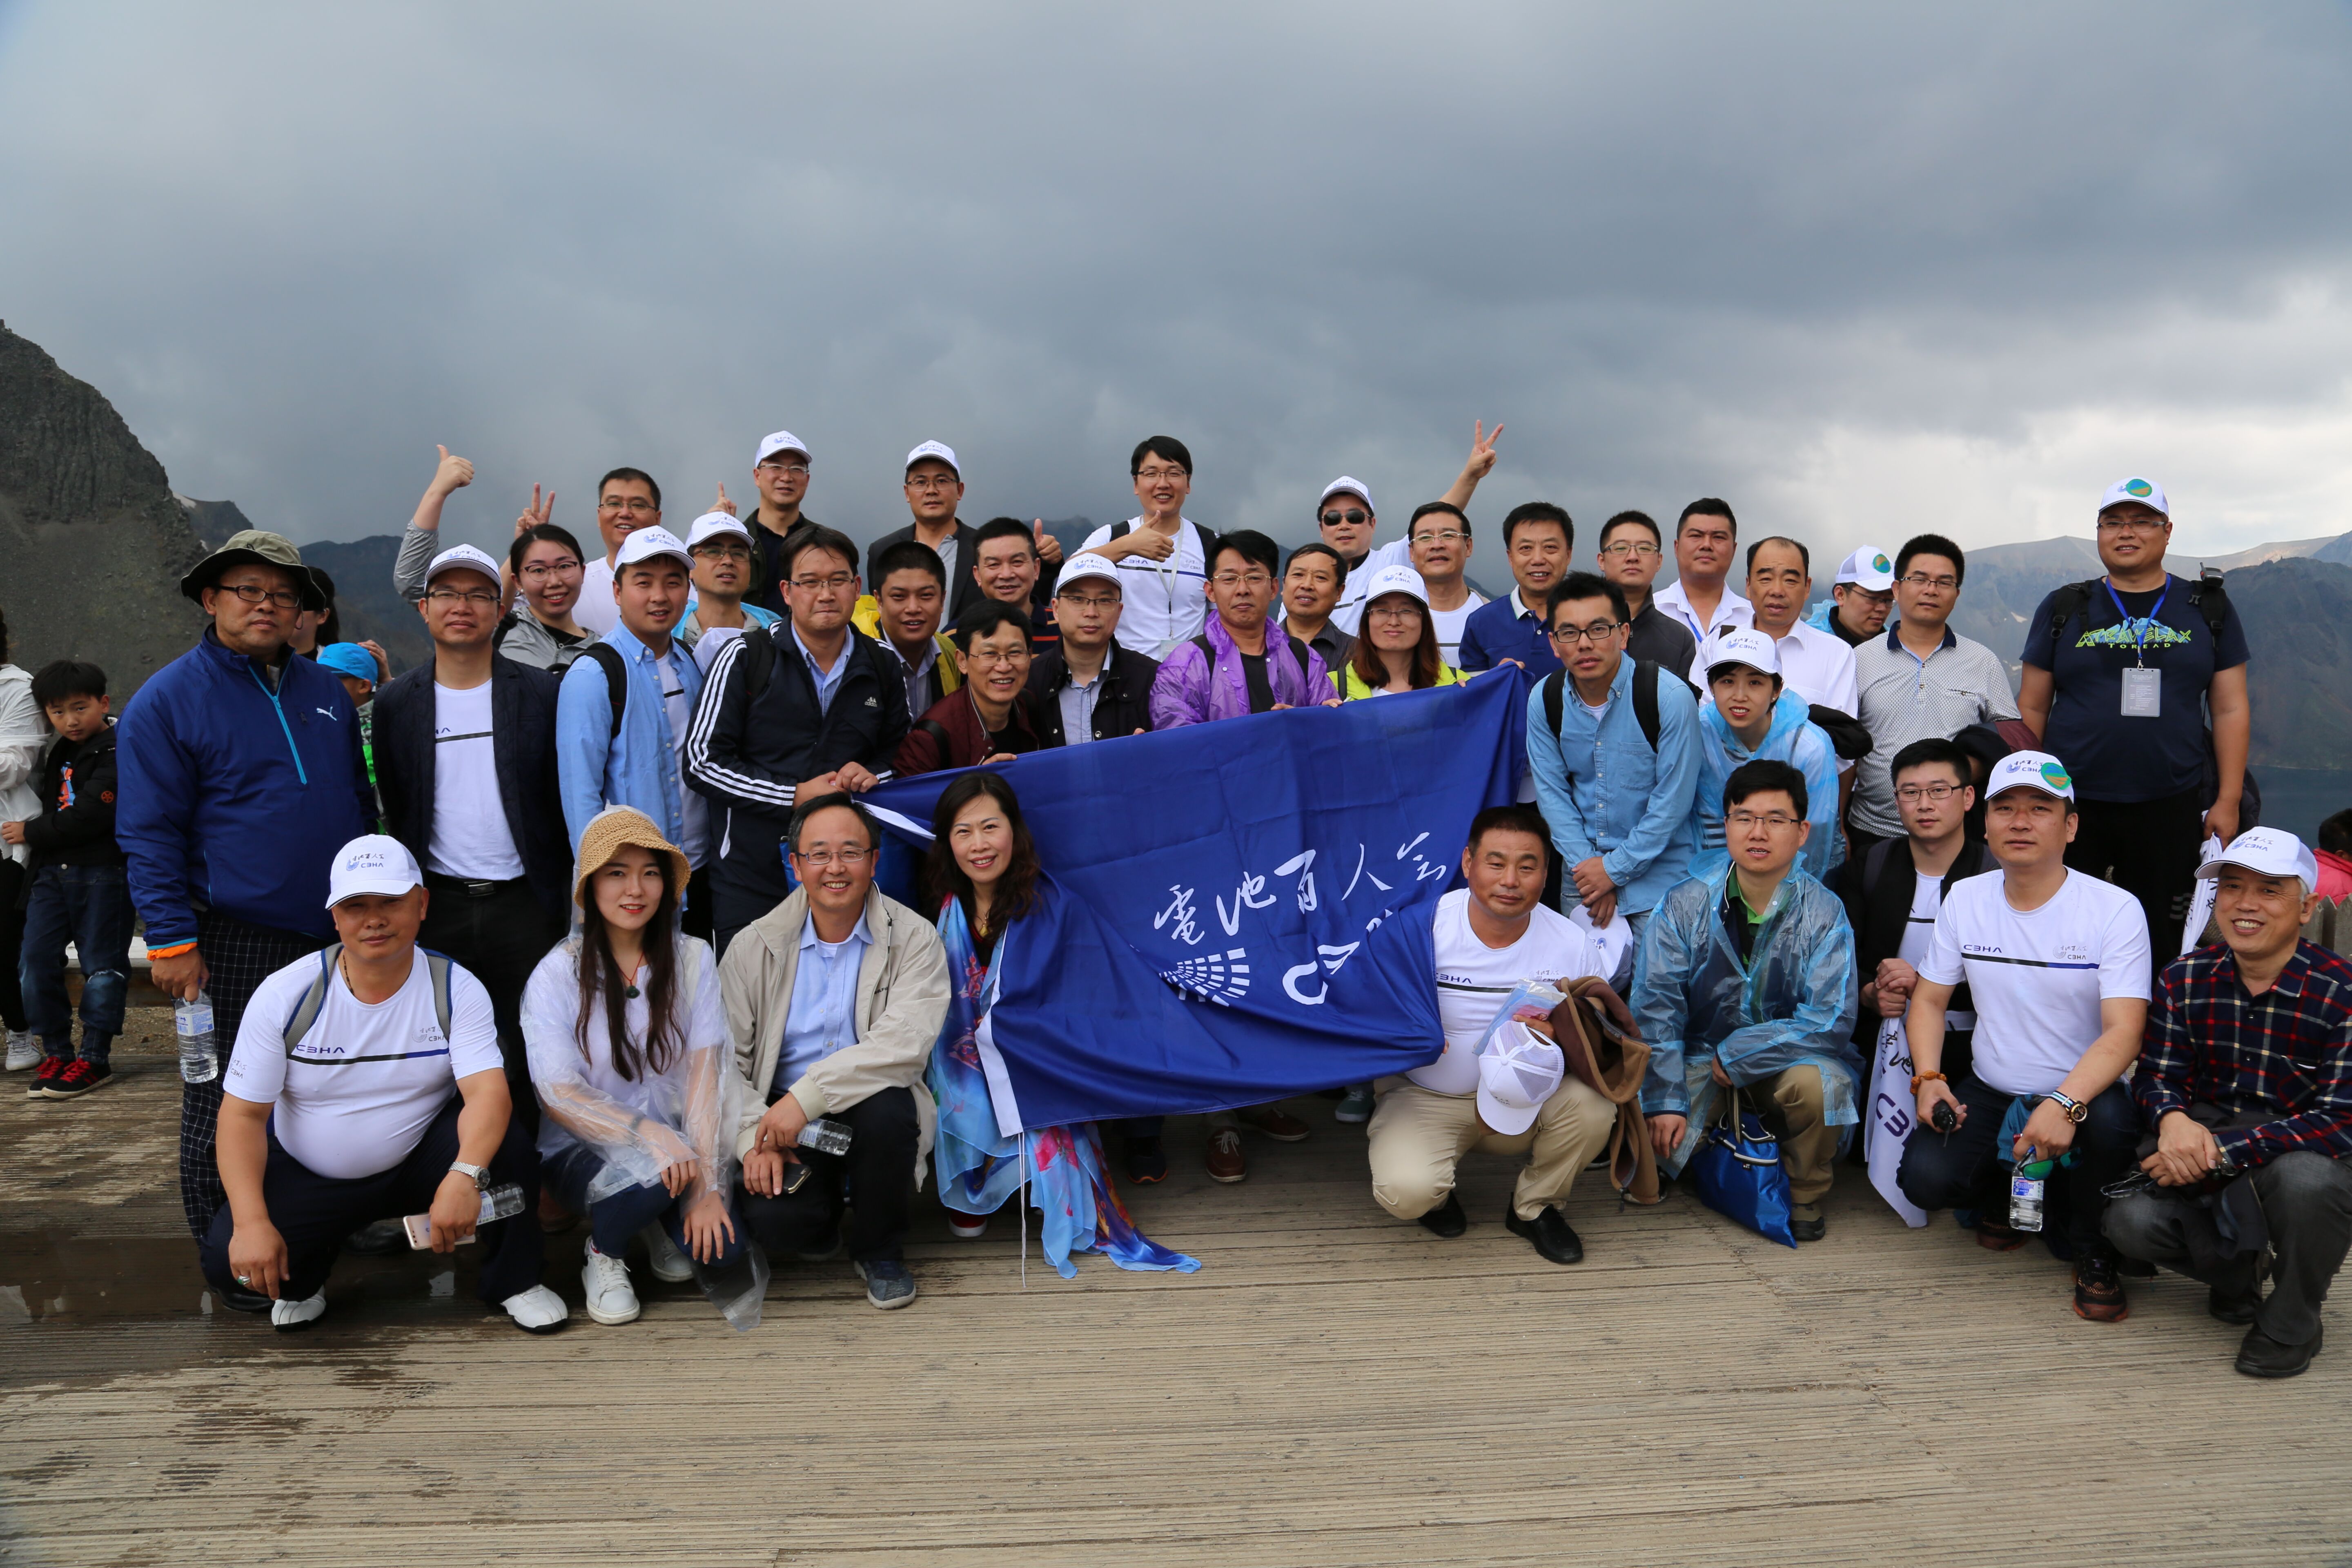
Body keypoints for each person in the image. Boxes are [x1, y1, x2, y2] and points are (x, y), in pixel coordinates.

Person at [116, 530, 372, 1252]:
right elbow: (148, 831)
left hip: (333, 936)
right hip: (233, 937)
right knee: (227, 1096)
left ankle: (327, 1230)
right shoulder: (167, 700)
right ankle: (223, 1246)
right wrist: (170, 939)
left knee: (325, 1089)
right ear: (211, 598)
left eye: (283, 595)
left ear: (302, 612)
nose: (266, 605)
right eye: (248, 590)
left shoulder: (324, 691)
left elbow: (359, 801)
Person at [196, 835, 566, 1333]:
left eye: (391, 901)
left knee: (508, 1148)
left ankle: (515, 1280)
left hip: (420, 1157)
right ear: (335, 917)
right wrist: (251, 1223)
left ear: (422, 904)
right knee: (229, 1264)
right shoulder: (285, 995)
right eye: (356, 906)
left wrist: (465, 1176)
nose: (374, 919)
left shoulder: (456, 987)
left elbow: (487, 1093)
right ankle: (311, 1270)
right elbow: (242, 1116)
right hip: (312, 1171)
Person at [1899, 751, 2151, 1322]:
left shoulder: (2114, 909)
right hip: (1992, 1086)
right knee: (1924, 1180)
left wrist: (2064, 1103)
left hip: (2085, 1091)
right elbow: (1929, 1000)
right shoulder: (1967, 897)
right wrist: (1930, 1078)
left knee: (2113, 1124)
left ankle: (2093, 1247)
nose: (2020, 822)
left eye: (2040, 809)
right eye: (2005, 808)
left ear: (2071, 826)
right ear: (1985, 824)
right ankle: (2003, 1192)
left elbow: (2125, 1032)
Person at [920, 772, 1195, 1272]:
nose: (979, 845)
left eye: (990, 827)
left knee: (1027, 1076)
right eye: (963, 832)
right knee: (952, 1071)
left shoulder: (1050, 903)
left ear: (1015, 830)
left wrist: (1014, 1032)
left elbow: (1079, 993)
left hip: (1034, 1052)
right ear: (947, 843)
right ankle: (973, 1185)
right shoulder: (946, 909)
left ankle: (1026, 1185)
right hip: (962, 1052)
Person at [2105, 829, 2352, 1378]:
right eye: (2232, 887)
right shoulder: (2184, 978)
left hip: (2292, 1156)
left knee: (2309, 1183)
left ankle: (2293, 1322)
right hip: (2203, 1149)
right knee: (2130, 1222)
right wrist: (2172, 1121)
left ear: (2307, 906)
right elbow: (2157, 1076)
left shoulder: (2342, 993)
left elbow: (2341, 1119)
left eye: (2269, 890)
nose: (2245, 903)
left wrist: (2221, 1151)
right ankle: (2238, 1275)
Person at [722, 793, 952, 1310]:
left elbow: (902, 1046)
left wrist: (806, 1098)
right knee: (778, 1224)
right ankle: (821, 1216)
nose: (835, 867)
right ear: (795, 864)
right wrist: (752, 1139)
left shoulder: (914, 938)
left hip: (864, 1099)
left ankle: (880, 1251)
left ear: (875, 860)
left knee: (890, 1114)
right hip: (778, 1113)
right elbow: (725, 1063)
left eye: (851, 852)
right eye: (819, 854)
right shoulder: (753, 947)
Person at [523, 807, 748, 1326]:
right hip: (583, 1151)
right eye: (617, 873)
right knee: (645, 1184)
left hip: (680, 1149)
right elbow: (559, 1094)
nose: (636, 889)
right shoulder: (557, 973)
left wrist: (707, 1186)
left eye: (650, 873)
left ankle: (653, 1222)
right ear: (590, 886)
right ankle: (605, 1252)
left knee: (724, 1251)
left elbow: (706, 1078)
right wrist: (648, 1135)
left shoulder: (692, 959)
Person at [1366, 805, 1619, 1262]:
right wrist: (1409, 1029)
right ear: (1468, 863)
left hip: (1527, 1095)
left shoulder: (1571, 943)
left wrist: (1560, 1032)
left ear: (1546, 873)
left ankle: (1535, 1207)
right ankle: (1436, 1196)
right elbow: (1366, 1006)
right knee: (1406, 1192)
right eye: (1496, 863)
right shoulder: (1420, 928)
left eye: (1527, 867)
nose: (1510, 881)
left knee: (1595, 1108)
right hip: (1427, 1094)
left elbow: (1597, 1027)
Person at [373, 543, 572, 1123]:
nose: (462, 607)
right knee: (444, 1048)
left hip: (527, 904)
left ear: (500, 608)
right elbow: (397, 802)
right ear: (424, 607)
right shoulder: (396, 703)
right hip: (439, 905)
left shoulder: (541, 693)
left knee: (534, 1044)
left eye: (478, 595)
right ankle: (456, 1166)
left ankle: (530, 1169)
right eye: (447, 594)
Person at [2018, 477, 2251, 966]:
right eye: (2113, 523)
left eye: (2142, 522)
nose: (2126, 532)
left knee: (2160, 939)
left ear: (2167, 532)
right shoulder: (2065, 606)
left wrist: (2227, 800)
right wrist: (2028, 791)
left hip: (2170, 802)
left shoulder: (2208, 608)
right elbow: (2033, 706)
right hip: (2070, 800)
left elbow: (2230, 708)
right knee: (2060, 930)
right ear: (2099, 533)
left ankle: (2153, 1016)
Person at [1633, 758, 1861, 1242]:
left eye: (1776, 819)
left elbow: (1831, 1020)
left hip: (1785, 1063)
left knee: (1826, 1085)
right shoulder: (1684, 903)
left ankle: (1802, 1193)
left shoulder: (1824, 911)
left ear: (1802, 832)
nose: (1758, 832)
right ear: (1726, 826)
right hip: (1695, 1059)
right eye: (1745, 818)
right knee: (1651, 1153)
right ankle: (1705, 1148)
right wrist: (1665, 1099)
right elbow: (1656, 1008)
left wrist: (1742, 1053)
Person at [683, 525, 911, 953]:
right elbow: (702, 762)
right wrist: (793, 795)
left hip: (845, 876)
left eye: (838, 580)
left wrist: (872, 774)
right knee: (752, 993)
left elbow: (903, 754)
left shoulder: (881, 663)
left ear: (856, 587)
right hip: (751, 876)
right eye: (810, 582)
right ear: (787, 592)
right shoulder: (744, 657)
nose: (825, 594)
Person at [1526, 573, 1701, 947]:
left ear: (1623, 634)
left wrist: (1613, 872)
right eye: (1569, 632)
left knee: (1658, 984)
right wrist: (1592, 873)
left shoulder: (1669, 697)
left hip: (1661, 881)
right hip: (1582, 877)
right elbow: (1552, 795)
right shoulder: (1545, 699)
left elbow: (1673, 803)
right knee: (1585, 983)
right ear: (1554, 643)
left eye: (1598, 629)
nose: (1584, 644)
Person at [555, 526, 710, 940]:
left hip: (699, 870)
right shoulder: (593, 675)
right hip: (634, 887)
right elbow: (581, 799)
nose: (660, 596)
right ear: (617, 592)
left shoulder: (690, 662)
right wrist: (598, 889)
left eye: (673, 582)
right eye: (643, 583)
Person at [1848, 535, 2018, 866]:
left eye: (1944, 582)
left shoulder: (1982, 661)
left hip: (1958, 836)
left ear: (1957, 594)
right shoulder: (1860, 659)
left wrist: (1964, 773)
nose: (1931, 590)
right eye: (1920, 579)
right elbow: (1844, 753)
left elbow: (2010, 739)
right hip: (1872, 830)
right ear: (1897, 589)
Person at [9, 660, 130, 1098]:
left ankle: (94, 1058)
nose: (70, 720)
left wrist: (31, 831)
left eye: (80, 708)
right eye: (58, 712)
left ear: (104, 703)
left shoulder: (119, 749)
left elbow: (94, 813)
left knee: (102, 967)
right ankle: (58, 1053)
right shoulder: (61, 749)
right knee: (34, 962)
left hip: (103, 873)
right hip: (52, 874)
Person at [1841, 738, 1990, 1081]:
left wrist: (1923, 988)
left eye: (1939, 791)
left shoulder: (1995, 874)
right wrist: (1868, 993)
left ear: (1968, 797)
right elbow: (1840, 955)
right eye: (1910, 793)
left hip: (1975, 1049)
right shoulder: (1869, 864)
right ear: (1896, 802)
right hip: (1882, 1041)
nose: (1924, 805)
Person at [1310, 423, 1502, 636]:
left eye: (1355, 517)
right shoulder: (1305, 580)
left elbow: (1436, 520)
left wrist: (1471, 475)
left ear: (1373, 524)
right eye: (1333, 518)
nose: (1344, 525)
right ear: (1321, 527)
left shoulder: (1389, 561)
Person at [1688, 629, 1841, 884]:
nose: (1740, 696)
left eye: (1755, 683)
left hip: (1786, 877)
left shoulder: (1807, 746)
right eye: (1727, 682)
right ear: (1712, 687)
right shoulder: (1696, 733)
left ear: (1777, 689)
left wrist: (1786, 892)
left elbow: (1815, 837)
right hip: (1707, 876)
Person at [1149, 529, 1334, 730]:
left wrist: (1302, 726)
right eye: (1229, 579)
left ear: (1273, 589)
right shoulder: (1185, 665)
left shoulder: (1303, 657)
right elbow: (1178, 739)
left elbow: (1329, 731)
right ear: (1210, 591)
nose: (1243, 589)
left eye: (1254, 578)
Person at [1077, 437, 1211, 658]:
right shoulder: (1111, 536)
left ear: (1188, 483)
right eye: (1151, 474)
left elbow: (1222, 619)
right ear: (1136, 484)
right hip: (1124, 673)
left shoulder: (1209, 543)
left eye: (1174, 473)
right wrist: (1128, 545)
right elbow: (1070, 572)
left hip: (1189, 673)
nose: (1163, 483)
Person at [865, 441, 1014, 629]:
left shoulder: (985, 548)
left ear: (960, 490)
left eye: (942, 481)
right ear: (907, 493)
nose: (931, 491)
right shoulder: (882, 550)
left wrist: (1047, 562)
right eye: (920, 482)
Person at [1708, 538, 1857, 717]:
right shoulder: (1717, 644)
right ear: (1748, 585)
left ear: (1807, 587)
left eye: (1790, 580)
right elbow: (1700, 721)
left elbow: (1839, 730)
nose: (1777, 591)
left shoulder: (1837, 654)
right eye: (1766, 579)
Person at [896, 603, 1045, 773]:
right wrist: (976, 784)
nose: (1004, 667)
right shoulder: (928, 739)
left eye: (1015, 652)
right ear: (962, 661)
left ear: (1029, 656)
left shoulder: (1029, 705)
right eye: (989, 654)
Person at [1027, 554, 1158, 748]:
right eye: (1078, 599)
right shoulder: (1029, 680)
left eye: (1105, 601)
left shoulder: (1152, 678)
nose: (1091, 613)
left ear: (1119, 611)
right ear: (1056, 609)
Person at [1456, 502, 1572, 681]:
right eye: (1526, 548)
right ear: (1511, 557)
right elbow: (1474, 692)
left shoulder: (1593, 617)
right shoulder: (1482, 622)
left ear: (1568, 555)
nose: (1538, 559)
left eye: (1550, 547)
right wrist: (1496, 680)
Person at [853, 540, 962, 724]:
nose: (913, 608)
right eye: (899, 597)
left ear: (943, 600)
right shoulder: (855, 655)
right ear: (879, 601)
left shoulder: (949, 650)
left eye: (926, 596)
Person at [1332, 565, 1467, 699]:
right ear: (1367, 619)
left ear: (1424, 620)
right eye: (1382, 611)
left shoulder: (1459, 685)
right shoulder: (1330, 687)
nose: (1394, 621)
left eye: (1406, 611)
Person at [1594, 510, 1700, 673]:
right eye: (1621, 548)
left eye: (1645, 548)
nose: (1633, 557)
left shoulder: (1679, 638)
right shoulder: (1577, 627)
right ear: (1602, 561)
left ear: (1659, 562)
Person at [0, 611, 37, 1072]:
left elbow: (15, 766)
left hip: (8, 839)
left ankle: (20, 1033)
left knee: (4, 945)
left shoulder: (17, 689)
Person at [676, 511, 781, 670]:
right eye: (713, 552)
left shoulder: (777, 635)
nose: (728, 561)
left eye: (738, 554)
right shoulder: (665, 634)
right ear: (689, 567)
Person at [569, 468, 666, 637]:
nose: (625, 513)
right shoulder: (576, 584)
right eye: (614, 504)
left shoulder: (684, 585)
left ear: (657, 519)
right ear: (599, 516)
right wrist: (528, 547)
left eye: (638, 505)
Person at [495, 521, 594, 674]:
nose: (554, 582)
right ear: (517, 582)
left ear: (582, 572)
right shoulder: (499, 631)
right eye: (538, 570)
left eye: (564, 566)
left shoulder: (603, 652)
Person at [740, 430, 818, 618]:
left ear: (807, 480)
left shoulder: (824, 544)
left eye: (797, 469)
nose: (786, 477)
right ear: (757, 476)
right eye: (776, 467)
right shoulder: (737, 542)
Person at [1404, 503, 1487, 667]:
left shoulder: (1493, 618)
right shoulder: (1390, 623)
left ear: (1468, 546)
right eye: (1425, 538)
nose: (1437, 545)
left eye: (1448, 535)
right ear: (1412, 552)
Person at [971, 515, 1060, 652]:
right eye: (994, 564)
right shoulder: (955, 635)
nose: (1006, 574)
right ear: (977, 575)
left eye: (1017, 562)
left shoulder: (1065, 629)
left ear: (1036, 569)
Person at [1275, 543, 1353, 674]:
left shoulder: (1357, 653)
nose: (1307, 585)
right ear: (1284, 584)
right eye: (1298, 575)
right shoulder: (1258, 645)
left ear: (1339, 592)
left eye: (1320, 578)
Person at [1804, 546, 1897, 648]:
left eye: (1889, 600)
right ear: (1841, 595)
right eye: (1872, 598)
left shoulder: (1898, 647)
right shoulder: (1808, 645)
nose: (1882, 608)